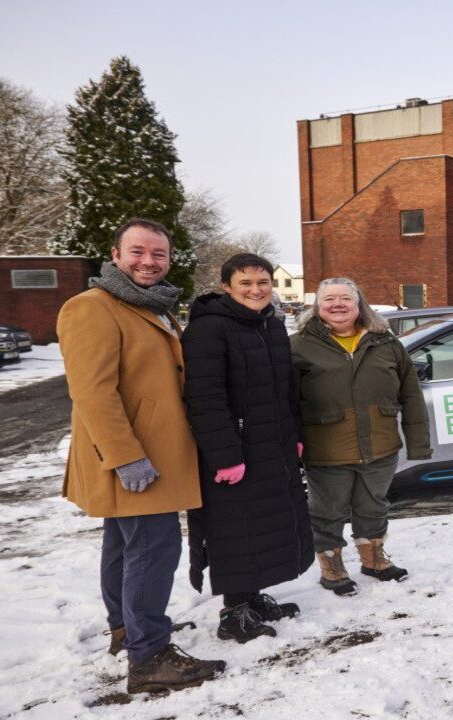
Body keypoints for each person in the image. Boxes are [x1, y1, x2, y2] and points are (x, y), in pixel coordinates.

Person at [57, 218, 225, 694]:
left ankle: (128, 630)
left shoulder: (152, 307)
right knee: (153, 551)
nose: (148, 262)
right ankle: (149, 657)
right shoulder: (91, 308)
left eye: (158, 254)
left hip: (151, 454)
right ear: (115, 254)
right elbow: (93, 392)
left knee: (124, 547)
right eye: (138, 252)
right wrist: (126, 456)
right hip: (134, 459)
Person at [181, 253, 314, 643]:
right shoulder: (208, 331)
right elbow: (205, 397)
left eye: (262, 282)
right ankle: (233, 611)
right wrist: (225, 455)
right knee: (236, 528)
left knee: (265, 525)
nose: (256, 290)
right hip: (235, 453)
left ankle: (252, 598)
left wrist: (295, 434)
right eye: (245, 283)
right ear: (226, 287)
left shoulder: (271, 326)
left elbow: (286, 389)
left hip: (273, 445)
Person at [291, 278, 431, 593]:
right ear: (318, 306)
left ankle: (374, 559)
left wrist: (419, 443)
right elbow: (286, 404)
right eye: (329, 299)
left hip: (380, 446)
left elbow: (411, 396)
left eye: (345, 298)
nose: (338, 305)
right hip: (326, 449)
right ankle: (332, 566)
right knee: (327, 511)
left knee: (373, 505)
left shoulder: (386, 343)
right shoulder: (297, 346)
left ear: (359, 305)